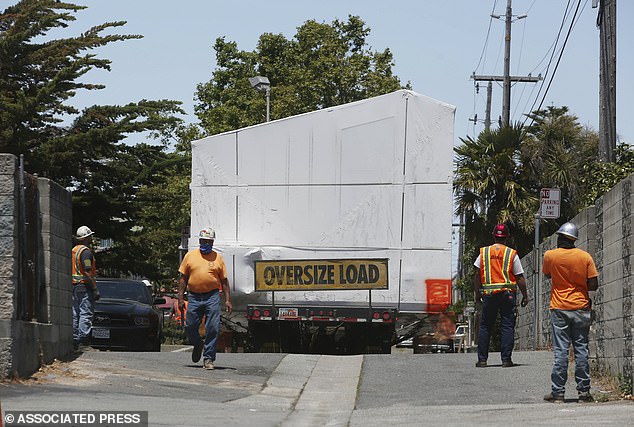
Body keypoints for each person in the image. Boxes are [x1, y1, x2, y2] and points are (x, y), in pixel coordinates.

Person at [542, 222, 599, 403]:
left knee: (561, 351)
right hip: (581, 308)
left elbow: (547, 274)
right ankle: (584, 393)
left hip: (559, 308)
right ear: (574, 239)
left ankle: (558, 392)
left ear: (560, 238)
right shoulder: (585, 257)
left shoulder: (550, 255)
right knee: (581, 349)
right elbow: (593, 285)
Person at [473, 223, 528, 368]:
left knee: (485, 326)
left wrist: (477, 292)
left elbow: (477, 275)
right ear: (507, 237)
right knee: (507, 326)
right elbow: (519, 277)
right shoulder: (511, 254)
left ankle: (482, 360)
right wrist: (525, 295)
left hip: (489, 295)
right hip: (507, 295)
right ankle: (506, 360)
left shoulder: (484, 253)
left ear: (493, 236)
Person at [178, 227, 232, 370]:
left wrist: (227, 299)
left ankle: (208, 359)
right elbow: (183, 278)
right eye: (203, 241)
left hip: (212, 296)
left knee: (213, 327)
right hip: (194, 296)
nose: (206, 244)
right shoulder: (190, 256)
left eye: (209, 242)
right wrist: (180, 298)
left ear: (212, 243)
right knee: (190, 326)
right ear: (199, 241)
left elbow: (225, 281)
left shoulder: (217, 258)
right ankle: (197, 344)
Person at [71, 225, 100, 351]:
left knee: (75, 313)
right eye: (90, 236)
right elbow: (87, 271)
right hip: (84, 286)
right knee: (85, 313)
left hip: (74, 286)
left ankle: (75, 340)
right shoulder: (85, 252)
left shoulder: (74, 250)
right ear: (87, 237)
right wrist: (94, 288)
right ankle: (84, 341)